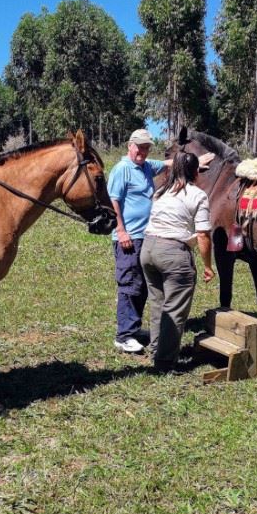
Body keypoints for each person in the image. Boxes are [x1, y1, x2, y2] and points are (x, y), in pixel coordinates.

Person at [107, 129, 213, 353]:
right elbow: (113, 201)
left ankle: (134, 329)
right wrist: (121, 230)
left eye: (146, 148)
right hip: (129, 237)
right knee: (129, 285)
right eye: (140, 147)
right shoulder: (122, 169)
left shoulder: (146, 166)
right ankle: (123, 335)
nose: (143, 152)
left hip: (147, 236)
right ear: (130, 145)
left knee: (143, 285)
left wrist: (193, 163)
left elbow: (167, 164)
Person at [140, 151, 214, 373]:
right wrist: (208, 266)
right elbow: (203, 234)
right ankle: (164, 364)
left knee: (158, 304)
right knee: (174, 310)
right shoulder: (197, 195)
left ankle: (156, 351)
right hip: (173, 255)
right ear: (195, 171)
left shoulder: (161, 192)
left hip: (148, 249)